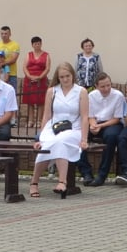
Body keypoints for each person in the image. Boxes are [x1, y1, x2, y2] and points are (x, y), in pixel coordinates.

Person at [33, 61, 86, 197]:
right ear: (58, 78)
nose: (65, 79)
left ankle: (62, 182)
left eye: (68, 76)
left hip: (74, 129)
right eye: (62, 77)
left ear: (72, 75)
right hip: (53, 128)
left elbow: (85, 117)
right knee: (48, 144)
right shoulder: (52, 91)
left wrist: (84, 139)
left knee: (60, 141)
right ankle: (34, 183)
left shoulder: (81, 91)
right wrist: (40, 137)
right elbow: (46, 115)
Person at [82, 69, 127, 186]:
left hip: (112, 123)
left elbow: (117, 118)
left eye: (108, 85)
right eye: (103, 86)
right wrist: (93, 125)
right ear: (96, 86)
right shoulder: (91, 96)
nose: (106, 88)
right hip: (95, 122)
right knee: (78, 136)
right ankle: (86, 173)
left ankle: (102, 175)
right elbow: (90, 116)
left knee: (111, 137)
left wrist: (100, 126)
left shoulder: (118, 96)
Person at [20, 36, 51, 117]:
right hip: (29, 79)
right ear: (32, 45)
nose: (37, 45)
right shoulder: (29, 54)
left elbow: (47, 68)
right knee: (30, 100)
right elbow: (24, 67)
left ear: (41, 44)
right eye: (35, 44)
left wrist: (40, 77)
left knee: (41, 100)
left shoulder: (46, 55)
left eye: (38, 44)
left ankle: (39, 119)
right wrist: (29, 76)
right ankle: (30, 119)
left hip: (41, 79)